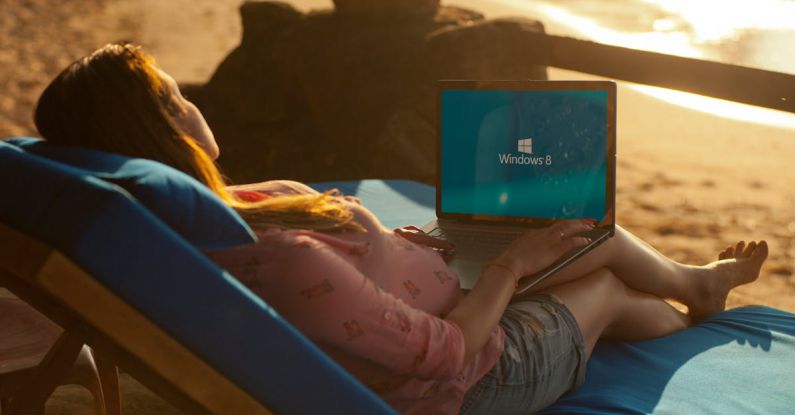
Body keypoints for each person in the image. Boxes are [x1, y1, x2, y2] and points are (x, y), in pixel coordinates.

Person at [32, 43, 769, 414]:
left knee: (576, 233)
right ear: (163, 127)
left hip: (438, 293)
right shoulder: (277, 259)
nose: (190, 100)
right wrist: (508, 268)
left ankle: (689, 293)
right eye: (172, 95)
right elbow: (442, 355)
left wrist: (440, 251)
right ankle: (692, 322)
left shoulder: (194, 216)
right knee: (601, 276)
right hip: (470, 372)